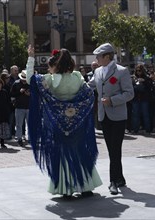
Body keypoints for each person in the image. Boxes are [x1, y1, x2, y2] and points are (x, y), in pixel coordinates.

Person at [26, 45, 102, 197]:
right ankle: (86, 186)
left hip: (57, 122)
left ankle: (65, 188)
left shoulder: (51, 79)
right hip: (77, 121)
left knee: (61, 154)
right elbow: (88, 94)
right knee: (80, 150)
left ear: (56, 65)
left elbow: (30, 79)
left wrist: (31, 57)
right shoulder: (77, 77)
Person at [88, 43, 134, 195]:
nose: (96, 59)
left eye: (98, 56)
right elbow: (90, 86)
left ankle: (113, 181)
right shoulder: (98, 71)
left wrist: (112, 100)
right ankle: (119, 178)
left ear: (107, 56)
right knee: (112, 150)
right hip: (103, 116)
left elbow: (129, 93)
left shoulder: (122, 71)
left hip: (118, 116)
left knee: (115, 149)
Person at [10, 70, 30, 146]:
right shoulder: (16, 83)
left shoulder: (30, 83)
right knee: (19, 124)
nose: (24, 80)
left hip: (29, 107)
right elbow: (12, 94)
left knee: (30, 124)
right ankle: (19, 138)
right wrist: (19, 92)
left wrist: (29, 94)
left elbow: (35, 95)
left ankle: (30, 139)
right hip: (19, 107)